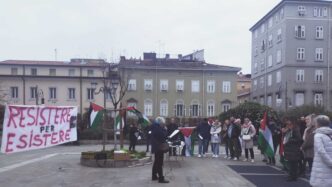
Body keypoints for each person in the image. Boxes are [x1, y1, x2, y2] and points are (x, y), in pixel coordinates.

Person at [310, 115, 332, 187]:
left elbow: (321, 151)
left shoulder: (318, 135)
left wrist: (330, 163)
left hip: (321, 169)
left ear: (318, 124)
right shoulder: (330, 134)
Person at [282, 118, 302, 182]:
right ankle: (291, 175)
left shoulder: (295, 130)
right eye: (287, 124)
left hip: (294, 149)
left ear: (292, 124)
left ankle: (293, 176)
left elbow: (298, 139)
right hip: (290, 150)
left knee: (294, 164)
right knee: (291, 163)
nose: (287, 125)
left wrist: (289, 140)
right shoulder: (290, 130)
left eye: (289, 124)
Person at [151, 116, 169, 183]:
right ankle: (161, 178)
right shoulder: (157, 128)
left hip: (156, 146)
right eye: (162, 123)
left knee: (156, 162)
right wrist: (165, 129)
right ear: (160, 122)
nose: (163, 124)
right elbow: (162, 136)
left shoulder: (155, 127)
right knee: (159, 163)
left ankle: (154, 176)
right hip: (159, 147)